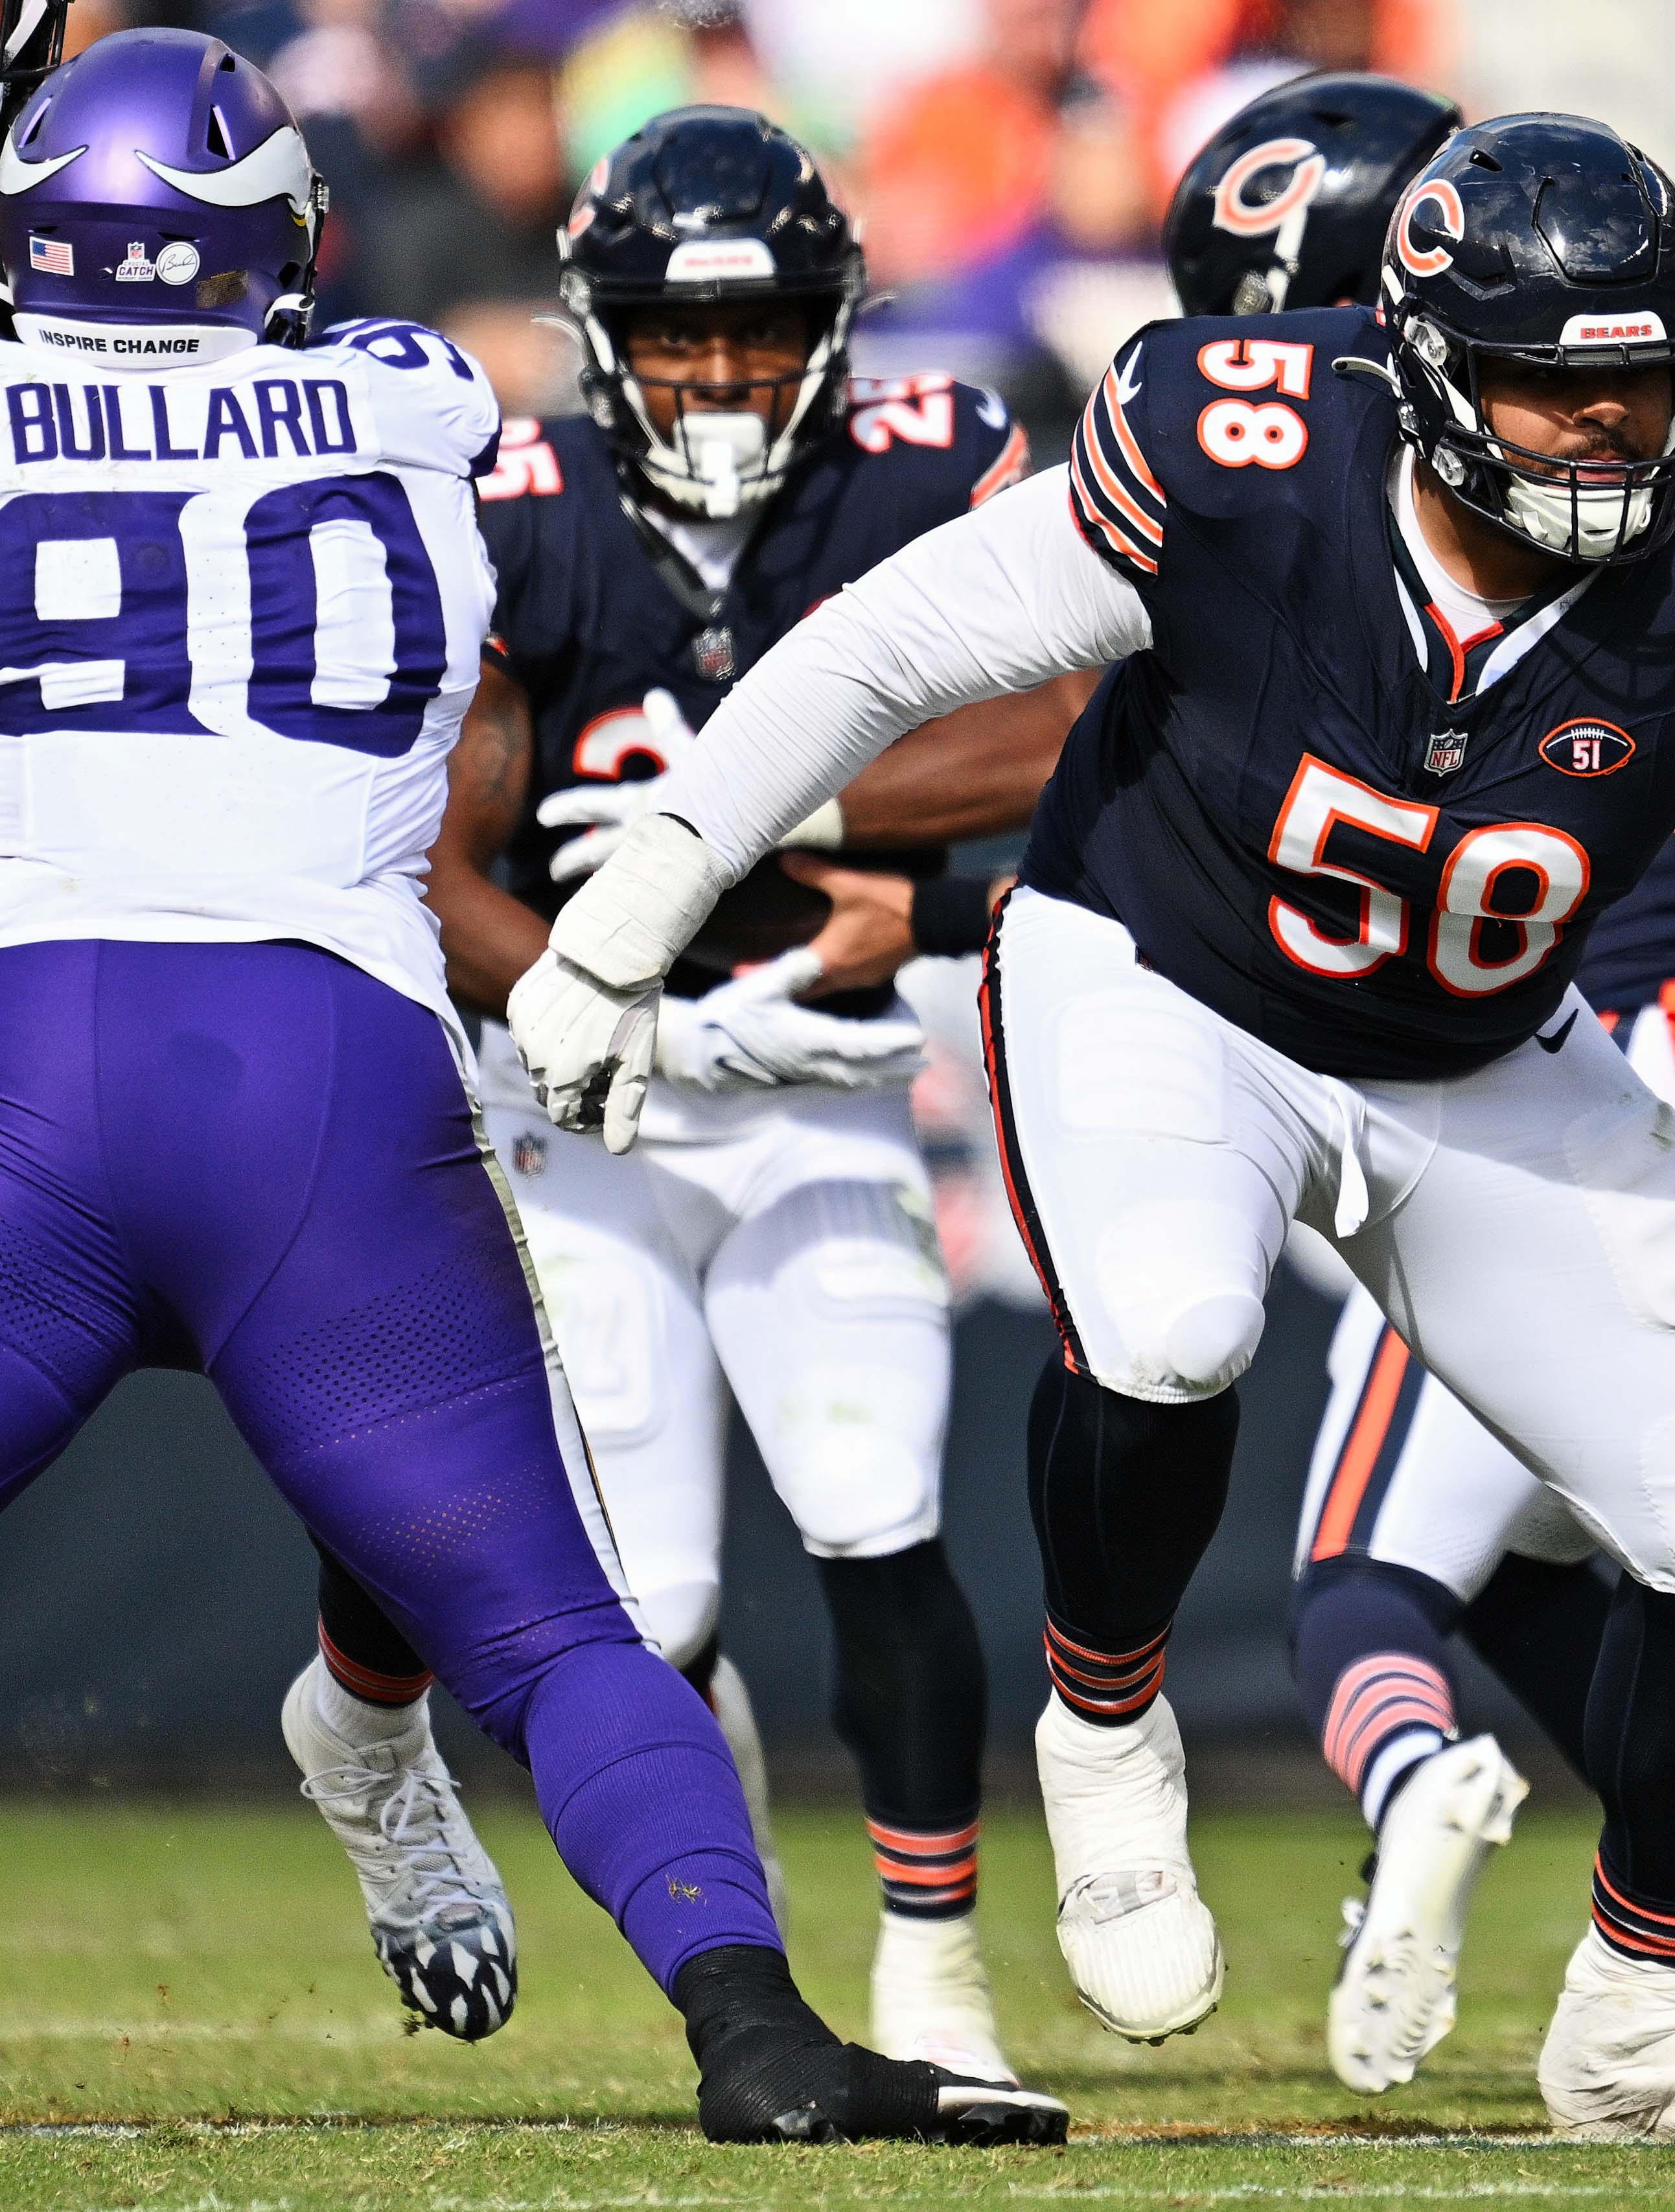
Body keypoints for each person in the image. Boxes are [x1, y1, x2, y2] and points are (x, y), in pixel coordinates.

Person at [505, 113, 1675, 2143]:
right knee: (1175, 1326)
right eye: (1551, 381)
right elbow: (889, 649)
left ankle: (1646, 2016)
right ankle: (1106, 1725)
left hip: (1482, 1045)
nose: (1611, 428)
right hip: (1165, 979)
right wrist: (634, 911)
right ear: (1425, 363)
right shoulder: (1244, 438)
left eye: (1645, 377)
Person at [0, 29, 1058, 2146]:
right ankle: (756, 2033)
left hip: (33, 1054)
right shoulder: (408, 393)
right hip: (318, 1071)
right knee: (565, 1628)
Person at [276, 107, 1087, 2081]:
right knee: (655, 1603)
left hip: (818, 1072)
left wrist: (762, 808)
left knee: (879, 1505)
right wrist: (600, 1000)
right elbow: (427, 858)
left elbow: (1074, 720)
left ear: (835, 324)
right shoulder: (519, 500)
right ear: (599, 332)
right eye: (675, 332)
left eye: (758, 328)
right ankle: (724, 1923)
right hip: (581, 1106)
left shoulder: (928, 463)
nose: (719, 369)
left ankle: (936, 1977)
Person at [1153, 71, 1675, 2093]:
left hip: (1596, 1083)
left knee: (1372, 1571)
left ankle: (1437, 1800)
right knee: (1568, 1543)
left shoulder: (1457, 471)